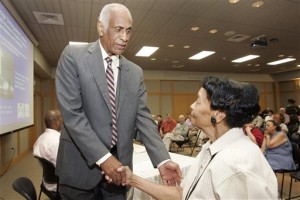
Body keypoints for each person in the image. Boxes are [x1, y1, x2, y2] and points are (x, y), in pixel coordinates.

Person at [55, 3, 181, 200]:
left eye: (129, 31)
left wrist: (163, 159)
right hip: (78, 171)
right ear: (100, 27)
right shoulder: (73, 57)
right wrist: (105, 159)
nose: (125, 38)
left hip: (119, 175)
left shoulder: (135, 72)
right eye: (118, 29)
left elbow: (144, 119)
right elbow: (73, 115)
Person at [117, 76, 278, 199]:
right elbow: (182, 194)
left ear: (219, 114)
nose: (192, 106)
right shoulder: (211, 148)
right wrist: (132, 179)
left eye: (198, 101)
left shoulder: (236, 165)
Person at [33, 109, 62, 192]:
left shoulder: (39, 139)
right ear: (57, 122)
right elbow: (63, 169)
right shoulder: (57, 142)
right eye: (61, 119)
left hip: (46, 181)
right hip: (57, 185)